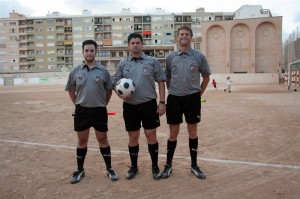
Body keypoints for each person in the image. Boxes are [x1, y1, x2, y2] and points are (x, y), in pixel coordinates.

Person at [112, 33, 166, 180]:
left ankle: (155, 167)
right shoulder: (123, 64)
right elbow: (114, 84)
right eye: (132, 43)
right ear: (129, 45)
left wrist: (162, 102)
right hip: (130, 106)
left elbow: (161, 81)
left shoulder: (152, 61)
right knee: (133, 137)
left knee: (151, 136)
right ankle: (134, 167)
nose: (135, 45)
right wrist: (120, 95)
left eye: (138, 42)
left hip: (149, 105)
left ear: (142, 44)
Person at [65, 40, 118, 184]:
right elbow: (70, 89)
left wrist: (102, 104)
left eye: (92, 50)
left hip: (99, 110)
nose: (89, 53)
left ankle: (109, 168)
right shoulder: (76, 71)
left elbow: (109, 90)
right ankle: (80, 170)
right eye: (86, 50)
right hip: (82, 110)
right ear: (83, 52)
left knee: (103, 140)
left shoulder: (103, 71)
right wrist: (77, 103)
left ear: (96, 52)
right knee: (82, 140)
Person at [161, 25, 211, 180]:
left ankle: (194, 165)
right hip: (174, 99)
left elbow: (206, 76)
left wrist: (198, 93)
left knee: (192, 132)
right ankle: (168, 165)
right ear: (177, 37)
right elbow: (167, 77)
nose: (184, 36)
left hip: (192, 99)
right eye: (181, 34)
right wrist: (172, 90)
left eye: (187, 34)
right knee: (173, 133)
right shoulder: (171, 57)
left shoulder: (199, 56)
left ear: (191, 37)